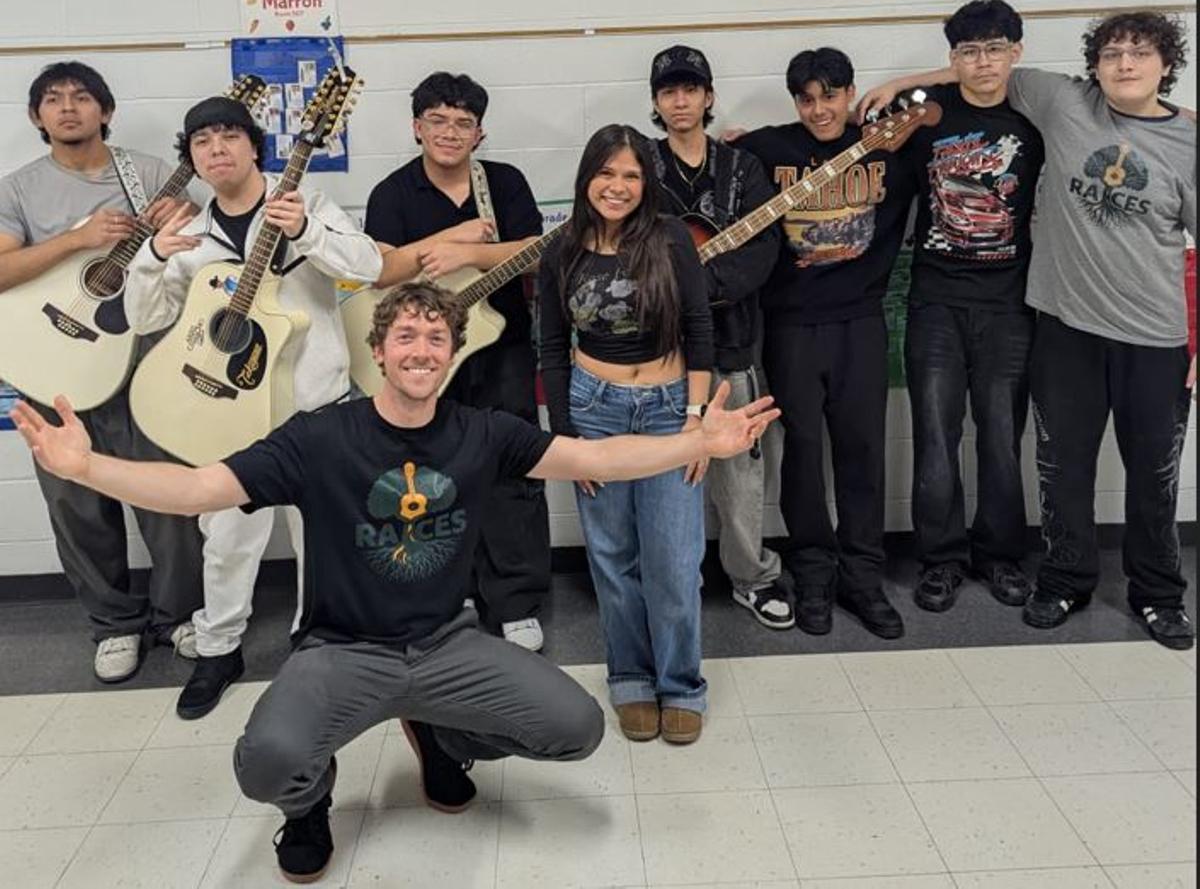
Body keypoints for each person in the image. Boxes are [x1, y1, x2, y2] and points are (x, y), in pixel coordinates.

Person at [11, 280, 778, 884]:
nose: (421, 348)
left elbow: (598, 461)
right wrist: (86, 468)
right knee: (266, 762)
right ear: (380, 351)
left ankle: (442, 732)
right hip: (341, 650)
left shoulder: (485, 433)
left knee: (574, 728)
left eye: (436, 337)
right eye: (405, 334)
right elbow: (201, 488)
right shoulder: (320, 438)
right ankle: (309, 806)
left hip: (447, 643)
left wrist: (694, 438)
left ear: (451, 356)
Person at [858, 10, 1195, 650]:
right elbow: (971, 84)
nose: (1125, 64)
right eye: (1113, 54)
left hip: (1088, 320)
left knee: (1100, 462)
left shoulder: (1154, 133)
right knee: (1005, 452)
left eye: (1140, 54)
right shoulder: (1021, 106)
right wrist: (908, 81)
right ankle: (1002, 570)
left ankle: (1116, 585)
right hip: (1011, 315)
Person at [124, 95, 382, 718]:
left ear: (253, 145)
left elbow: (369, 265)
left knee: (319, 534)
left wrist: (306, 232)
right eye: (201, 142)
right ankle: (219, 649)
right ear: (191, 158)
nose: (216, 150)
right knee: (227, 534)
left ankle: (314, 641)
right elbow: (142, 316)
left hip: (314, 404)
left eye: (228, 136)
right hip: (225, 409)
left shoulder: (306, 204)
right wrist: (154, 256)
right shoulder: (188, 233)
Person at [0, 61, 204, 682]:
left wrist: (179, 226)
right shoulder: (18, 189)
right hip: (52, 367)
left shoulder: (146, 175)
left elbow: (202, 253)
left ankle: (178, 617)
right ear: (37, 116)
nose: (68, 108)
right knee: (76, 504)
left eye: (82, 97)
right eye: (53, 100)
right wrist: (75, 240)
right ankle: (115, 625)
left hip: (141, 363)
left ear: (105, 111)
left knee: (167, 497)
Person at [539, 124, 716, 744]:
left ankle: (681, 684)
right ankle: (632, 680)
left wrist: (696, 422)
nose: (617, 187)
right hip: (595, 409)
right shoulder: (561, 248)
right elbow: (553, 348)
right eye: (606, 173)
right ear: (588, 177)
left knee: (674, 560)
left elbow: (699, 328)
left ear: (647, 183)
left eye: (631, 176)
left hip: (670, 409)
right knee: (613, 559)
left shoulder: (670, 240)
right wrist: (566, 441)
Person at [365, 72, 551, 652]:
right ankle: (449, 595)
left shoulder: (505, 183)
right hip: (422, 359)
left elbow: (535, 252)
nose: (451, 132)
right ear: (417, 127)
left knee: (513, 469)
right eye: (438, 121)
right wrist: (452, 234)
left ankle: (516, 601)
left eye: (463, 123)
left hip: (504, 349)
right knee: (430, 475)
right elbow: (382, 270)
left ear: (480, 132)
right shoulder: (391, 194)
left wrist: (468, 251)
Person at [734, 47, 916, 640]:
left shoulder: (891, 142)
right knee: (803, 454)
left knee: (862, 450)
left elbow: (948, 102)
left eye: (831, 95)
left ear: (851, 93)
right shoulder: (767, 149)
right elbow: (707, 157)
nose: (819, 110)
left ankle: (863, 575)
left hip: (861, 321)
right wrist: (731, 137)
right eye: (807, 98)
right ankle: (813, 570)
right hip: (789, 327)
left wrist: (906, 82)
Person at [898, 0, 1045, 613]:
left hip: (1010, 303)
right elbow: (860, 147)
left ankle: (1001, 554)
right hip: (935, 300)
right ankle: (941, 559)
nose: (982, 62)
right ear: (951, 58)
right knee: (935, 433)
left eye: (994, 48)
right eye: (967, 50)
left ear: (1016, 50)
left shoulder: (1036, 119)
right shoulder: (928, 119)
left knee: (1001, 436)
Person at [646, 44, 792, 629]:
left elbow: (765, 248)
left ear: (708, 97)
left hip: (733, 339)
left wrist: (697, 290)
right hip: (654, 350)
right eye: (668, 91)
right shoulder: (638, 164)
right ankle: (668, 578)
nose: (680, 101)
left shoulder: (743, 167)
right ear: (656, 102)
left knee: (738, 472)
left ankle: (751, 577)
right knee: (661, 468)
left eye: (690, 89)